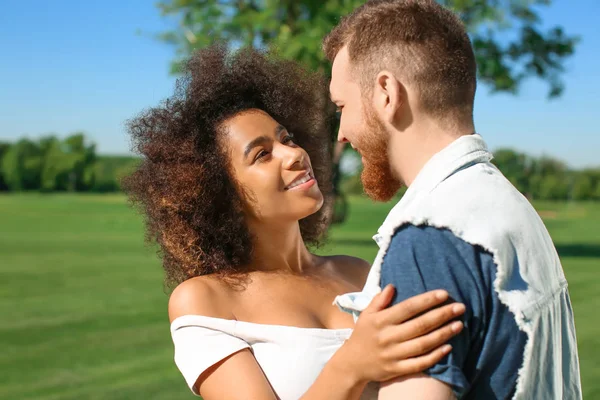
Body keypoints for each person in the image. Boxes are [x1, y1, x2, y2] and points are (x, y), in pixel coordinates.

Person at [123, 45, 466, 400]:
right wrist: (353, 364)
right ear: (221, 195)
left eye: (286, 138)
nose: (295, 154)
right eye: (262, 155)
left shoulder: (359, 274)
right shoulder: (205, 299)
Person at [325, 1, 582, 399]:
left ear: (386, 93)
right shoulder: (510, 208)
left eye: (342, 107)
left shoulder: (427, 240)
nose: (341, 132)